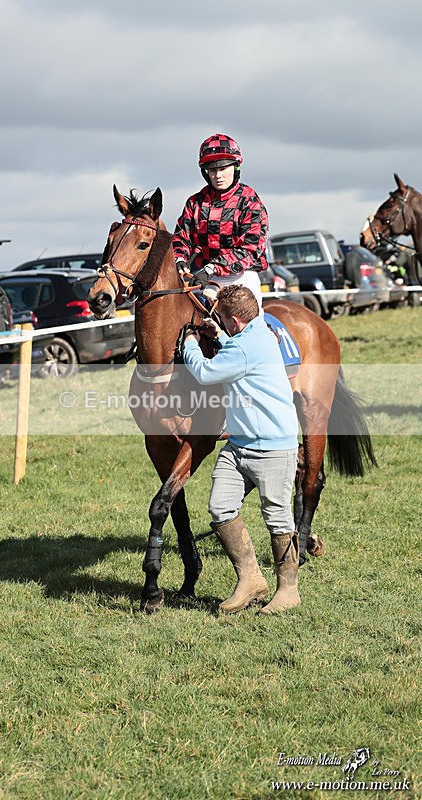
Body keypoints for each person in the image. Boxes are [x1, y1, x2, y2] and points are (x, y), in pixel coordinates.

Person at [183, 285, 300, 615]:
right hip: (239, 446)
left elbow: (206, 372)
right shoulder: (255, 332)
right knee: (220, 507)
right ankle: (250, 579)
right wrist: (218, 333)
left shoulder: (247, 347)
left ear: (235, 319)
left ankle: (288, 591)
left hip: (273, 449)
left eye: (221, 317)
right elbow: (238, 347)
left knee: (277, 519)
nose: (218, 319)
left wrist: (191, 344)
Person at [173, 133, 269, 307]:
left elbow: (250, 248)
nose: (218, 175)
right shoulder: (195, 202)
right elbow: (181, 238)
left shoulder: (250, 201)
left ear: (236, 167)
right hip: (201, 277)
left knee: (246, 325)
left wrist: (212, 268)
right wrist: (179, 259)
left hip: (240, 277)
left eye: (223, 169)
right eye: (212, 170)